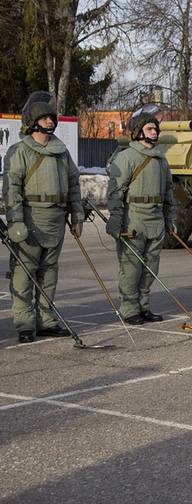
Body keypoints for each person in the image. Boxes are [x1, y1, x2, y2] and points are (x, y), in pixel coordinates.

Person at [2, 91, 83, 343]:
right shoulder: (19, 152)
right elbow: (11, 189)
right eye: (45, 118)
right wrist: (15, 220)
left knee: (49, 273)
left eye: (52, 118)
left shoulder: (61, 152)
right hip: (30, 219)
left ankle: (46, 320)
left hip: (55, 220)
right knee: (24, 274)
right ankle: (25, 323)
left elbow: (73, 182)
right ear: (34, 120)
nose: (50, 121)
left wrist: (77, 210)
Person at [106, 104, 176, 325]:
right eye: (149, 128)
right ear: (138, 131)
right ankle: (129, 308)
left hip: (155, 219)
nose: (154, 132)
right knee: (131, 267)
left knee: (150, 267)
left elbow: (168, 193)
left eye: (155, 129)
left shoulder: (161, 160)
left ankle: (144, 306)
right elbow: (115, 193)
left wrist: (169, 219)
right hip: (133, 218)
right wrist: (116, 222)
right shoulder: (126, 157)